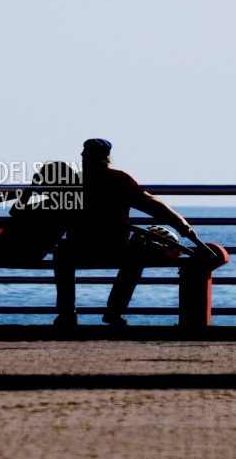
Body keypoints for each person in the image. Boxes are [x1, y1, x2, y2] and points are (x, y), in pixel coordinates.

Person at [54, 138, 201, 327]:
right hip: (113, 247)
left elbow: (56, 216)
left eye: (86, 154)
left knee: (62, 253)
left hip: (81, 248)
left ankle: (68, 314)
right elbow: (148, 202)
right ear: (107, 158)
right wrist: (181, 224)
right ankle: (113, 312)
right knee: (136, 256)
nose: (83, 156)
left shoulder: (76, 183)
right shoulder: (119, 180)